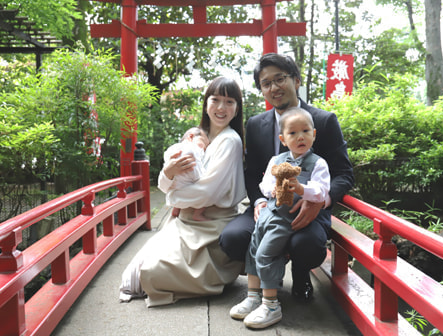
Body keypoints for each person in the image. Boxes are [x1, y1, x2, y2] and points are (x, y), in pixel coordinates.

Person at [219, 53, 354, 302]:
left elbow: (344, 174)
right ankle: (270, 276)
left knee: (308, 245)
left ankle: (301, 273)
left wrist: (319, 201)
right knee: (232, 238)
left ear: (296, 80)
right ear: (262, 90)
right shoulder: (256, 124)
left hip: (307, 205)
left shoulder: (323, 121)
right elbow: (252, 173)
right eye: (266, 83)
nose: (274, 87)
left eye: (279, 79)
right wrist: (259, 201)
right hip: (270, 205)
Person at [119, 76, 246, 307]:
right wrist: (167, 173)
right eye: (215, 99)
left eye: (229, 102)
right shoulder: (197, 136)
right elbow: (168, 178)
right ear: (206, 103)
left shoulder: (230, 141)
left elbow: (207, 194)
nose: (221, 107)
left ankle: (207, 274)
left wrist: (172, 198)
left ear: (237, 108)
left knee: (150, 272)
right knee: (134, 272)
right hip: (185, 221)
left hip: (211, 225)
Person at [230, 107, 331, 329]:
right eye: (293, 133)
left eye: (305, 131)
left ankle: (271, 305)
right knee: (253, 250)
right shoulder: (277, 159)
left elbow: (322, 191)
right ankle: (253, 296)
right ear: (283, 139)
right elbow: (264, 182)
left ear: (314, 134)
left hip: (287, 219)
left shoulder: (318, 163)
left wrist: (302, 189)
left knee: (266, 254)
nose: (300, 137)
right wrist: (271, 191)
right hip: (268, 214)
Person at [162, 127, 210, 221]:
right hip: (187, 185)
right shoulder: (193, 150)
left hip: (174, 187)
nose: (204, 148)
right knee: (206, 193)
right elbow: (196, 169)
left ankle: (175, 210)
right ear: (191, 137)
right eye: (203, 143)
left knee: (179, 187)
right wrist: (203, 177)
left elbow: (166, 161)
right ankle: (198, 214)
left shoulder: (173, 148)